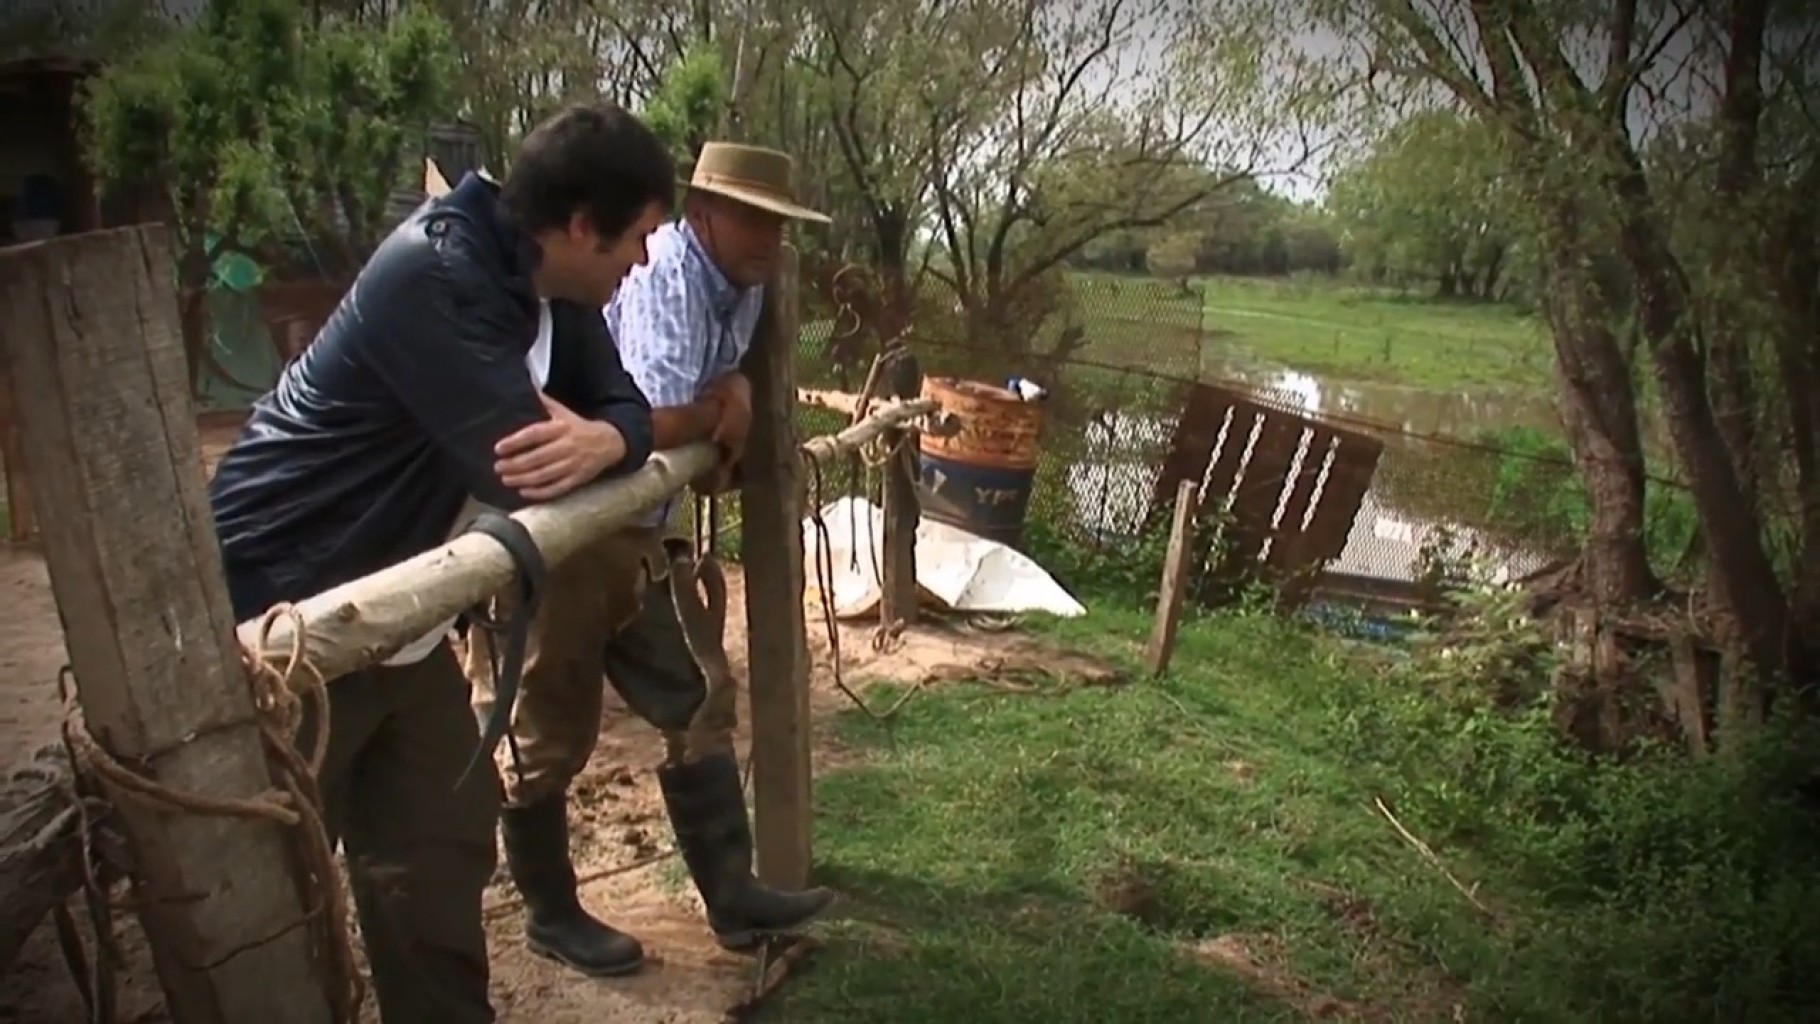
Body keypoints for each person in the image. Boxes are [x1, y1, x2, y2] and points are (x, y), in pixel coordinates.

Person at [207, 102, 675, 1023]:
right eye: (639, 238)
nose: (644, 264)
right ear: (582, 226)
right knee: (274, 899)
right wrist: (601, 443)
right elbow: (520, 465)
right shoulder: (438, 271)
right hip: (290, 624)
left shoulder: (557, 294)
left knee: (439, 850)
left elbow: (625, 407)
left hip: (402, 622)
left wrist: (610, 440)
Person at [464, 142, 835, 978]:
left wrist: (731, 396)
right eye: (752, 218)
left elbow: (683, 412)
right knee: (544, 730)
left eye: (778, 222)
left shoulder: (745, 281)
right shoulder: (669, 271)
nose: (769, 237)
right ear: (702, 214)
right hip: (563, 530)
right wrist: (722, 407)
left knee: (698, 692)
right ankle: (552, 913)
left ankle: (733, 897)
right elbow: (652, 422)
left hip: (634, 527)